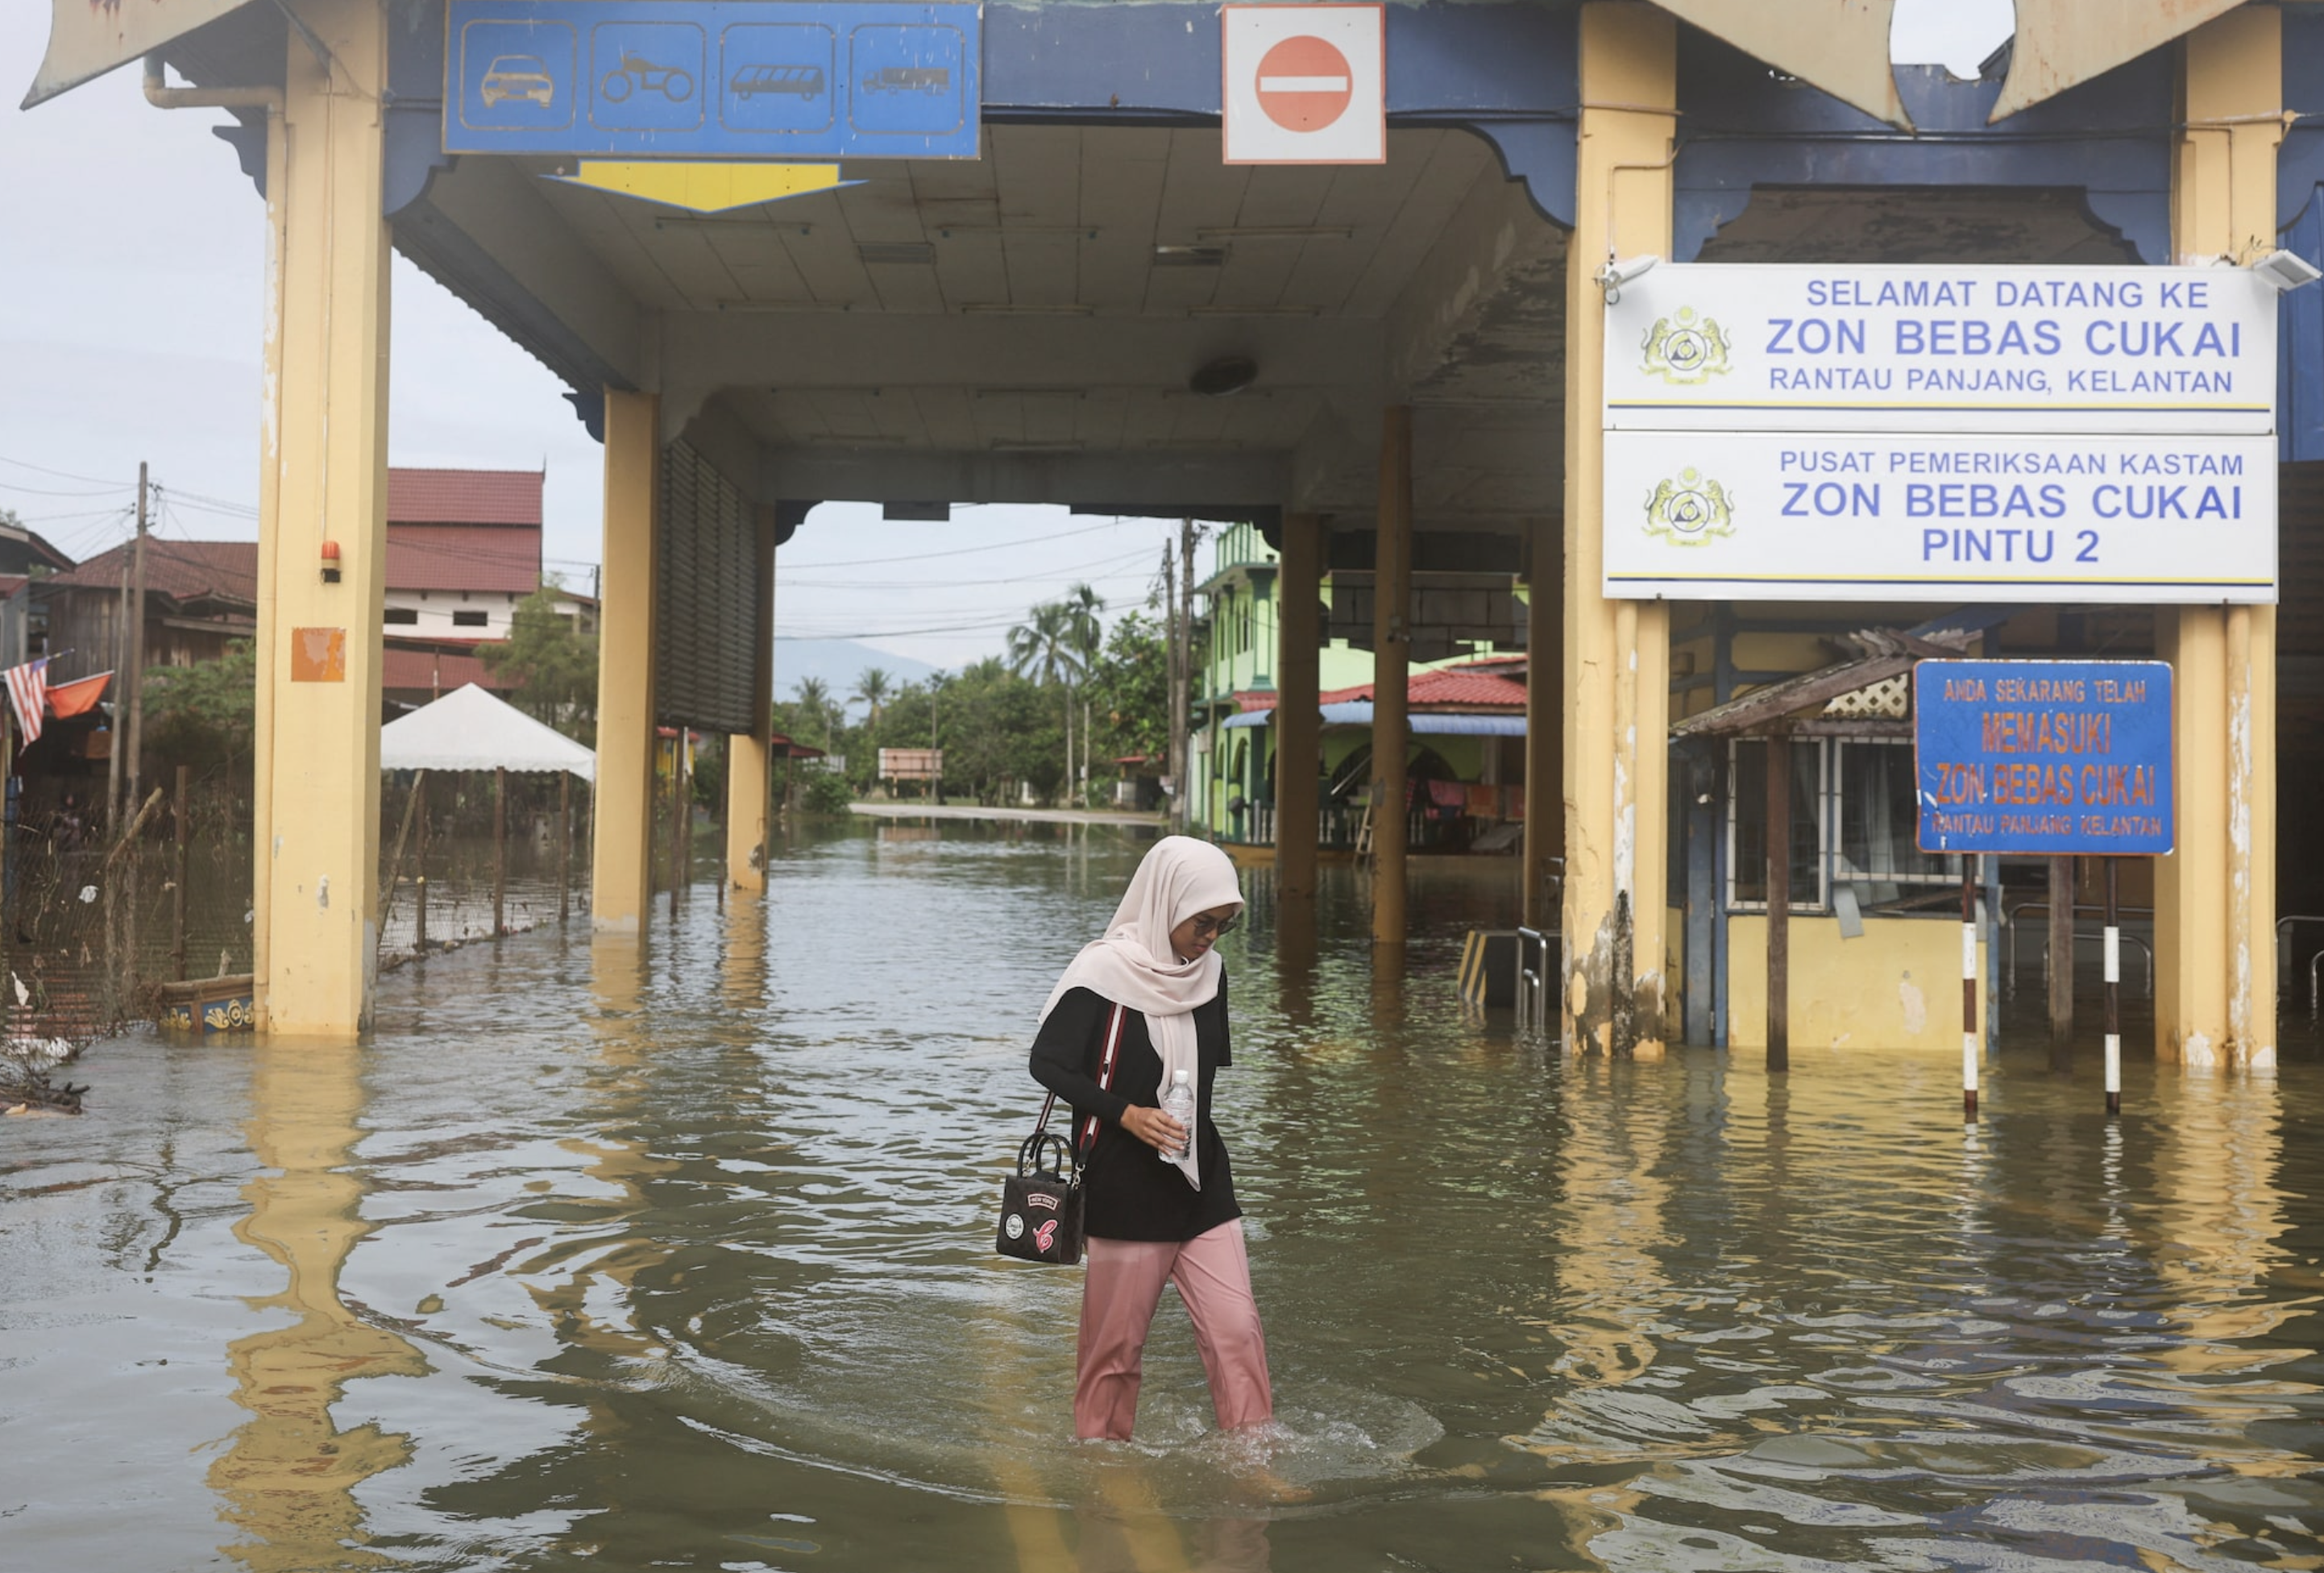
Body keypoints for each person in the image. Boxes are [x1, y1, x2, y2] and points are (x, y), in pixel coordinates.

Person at [1029, 835, 1273, 1442]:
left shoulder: (1210, 978)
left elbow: (1204, 1079)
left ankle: (1253, 1458)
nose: (1211, 937)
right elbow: (1048, 1064)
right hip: (1124, 1184)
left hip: (1200, 1183)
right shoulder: (1101, 973)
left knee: (1237, 1329)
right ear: (1168, 903)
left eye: (1224, 925)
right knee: (1114, 1351)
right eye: (1203, 922)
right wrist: (1127, 1114)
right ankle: (1102, 1459)